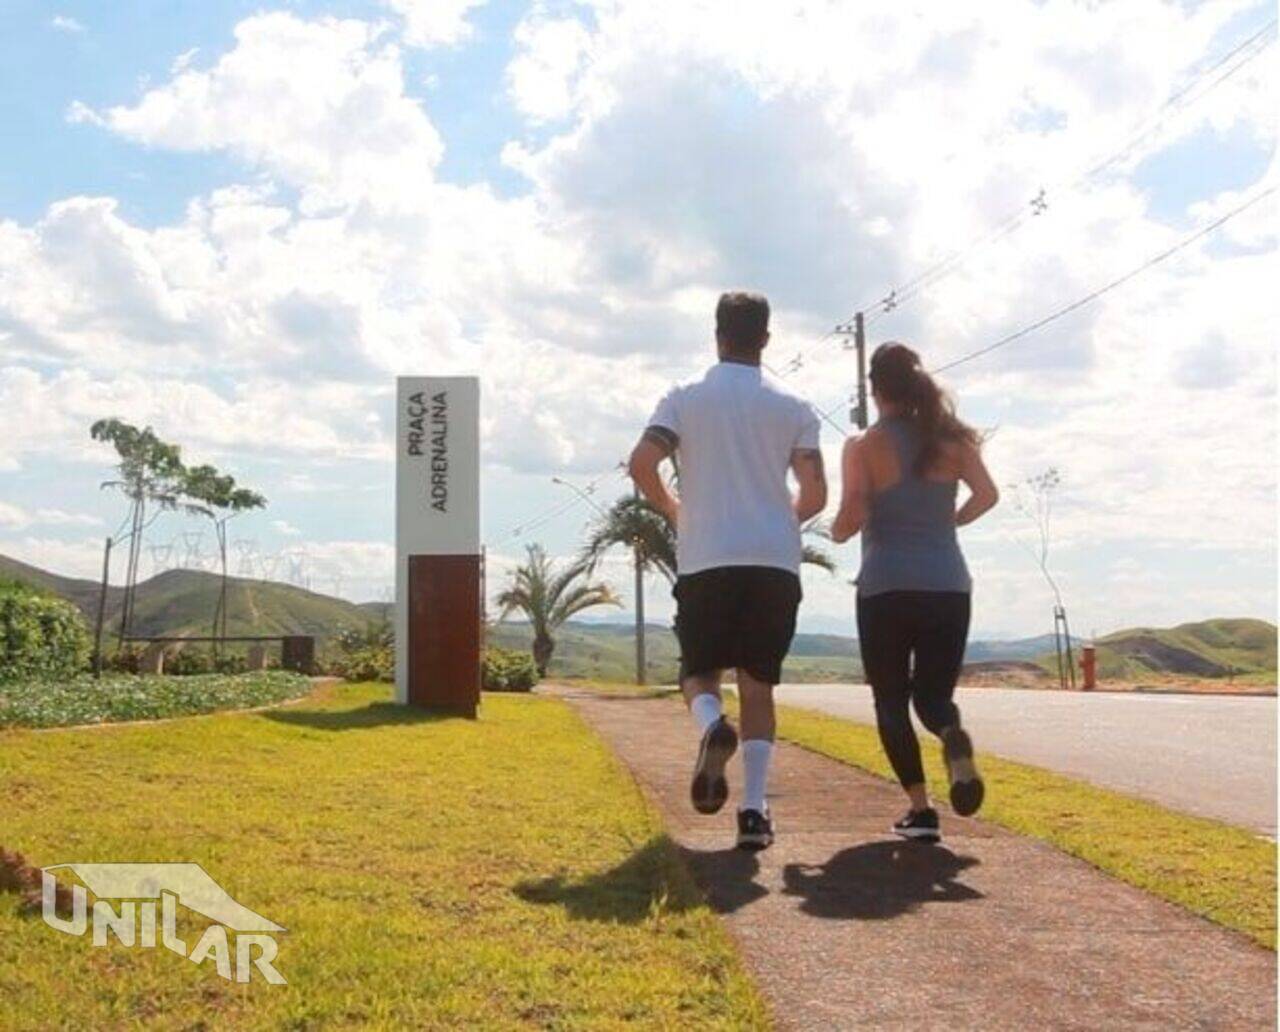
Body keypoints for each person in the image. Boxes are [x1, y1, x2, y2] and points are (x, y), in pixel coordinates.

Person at [629, 291, 827, 850]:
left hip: (707, 556)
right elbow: (814, 494)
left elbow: (643, 463)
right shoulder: (795, 407)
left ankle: (713, 725)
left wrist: (672, 508)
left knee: (698, 674)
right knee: (759, 686)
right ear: (766, 338)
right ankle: (754, 812)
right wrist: (777, 520)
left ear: (716, 335)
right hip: (773, 562)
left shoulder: (684, 398)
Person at [831, 342, 998, 844]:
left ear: (874, 389)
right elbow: (987, 495)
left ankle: (921, 811)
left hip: (886, 587)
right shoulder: (952, 441)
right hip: (948, 583)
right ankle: (951, 735)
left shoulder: (862, 445)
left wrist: (836, 533)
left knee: (890, 701)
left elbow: (853, 514)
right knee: (933, 698)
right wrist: (948, 520)